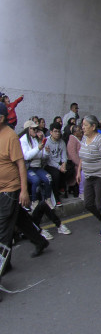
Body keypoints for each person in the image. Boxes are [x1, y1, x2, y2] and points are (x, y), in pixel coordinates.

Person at [0, 102, 32, 299]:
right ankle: (39, 241)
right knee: (17, 221)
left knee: (2, 234)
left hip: (10, 191)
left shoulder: (11, 136)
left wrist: (24, 191)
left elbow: (21, 165)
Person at [76, 115, 101, 243]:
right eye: (83, 125)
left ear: (93, 126)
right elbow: (82, 156)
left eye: (85, 125)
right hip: (88, 176)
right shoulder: (84, 138)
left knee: (99, 205)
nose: (83, 128)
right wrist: (78, 171)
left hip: (98, 176)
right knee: (88, 204)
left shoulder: (100, 140)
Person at [20, 120, 53, 207]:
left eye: (36, 129)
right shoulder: (23, 140)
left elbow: (41, 156)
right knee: (36, 180)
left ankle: (47, 199)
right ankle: (35, 201)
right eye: (33, 129)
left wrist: (46, 152)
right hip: (27, 168)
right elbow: (26, 156)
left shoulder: (35, 139)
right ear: (28, 129)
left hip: (37, 167)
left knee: (48, 178)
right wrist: (38, 148)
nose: (36, 131)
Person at [43, 127, 69, 205]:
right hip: (49, 164)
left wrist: (64, 164)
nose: (57, 133)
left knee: (69, 169)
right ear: (51, 132)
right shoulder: (47, 142)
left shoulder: (62, 142)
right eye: (55, 131)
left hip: (59, 163)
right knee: (56, 174)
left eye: (59, 131)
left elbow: (64, 155)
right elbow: (49, 159)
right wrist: (59, 167)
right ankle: (56, 197)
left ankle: (62, 188)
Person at [66, 124, 83, 198]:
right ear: (75, 133)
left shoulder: (82, 139)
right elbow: (73, 155)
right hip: (76, 164)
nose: (81, 131)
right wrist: (80, 164)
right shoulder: (72, 140)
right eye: (79, 130)